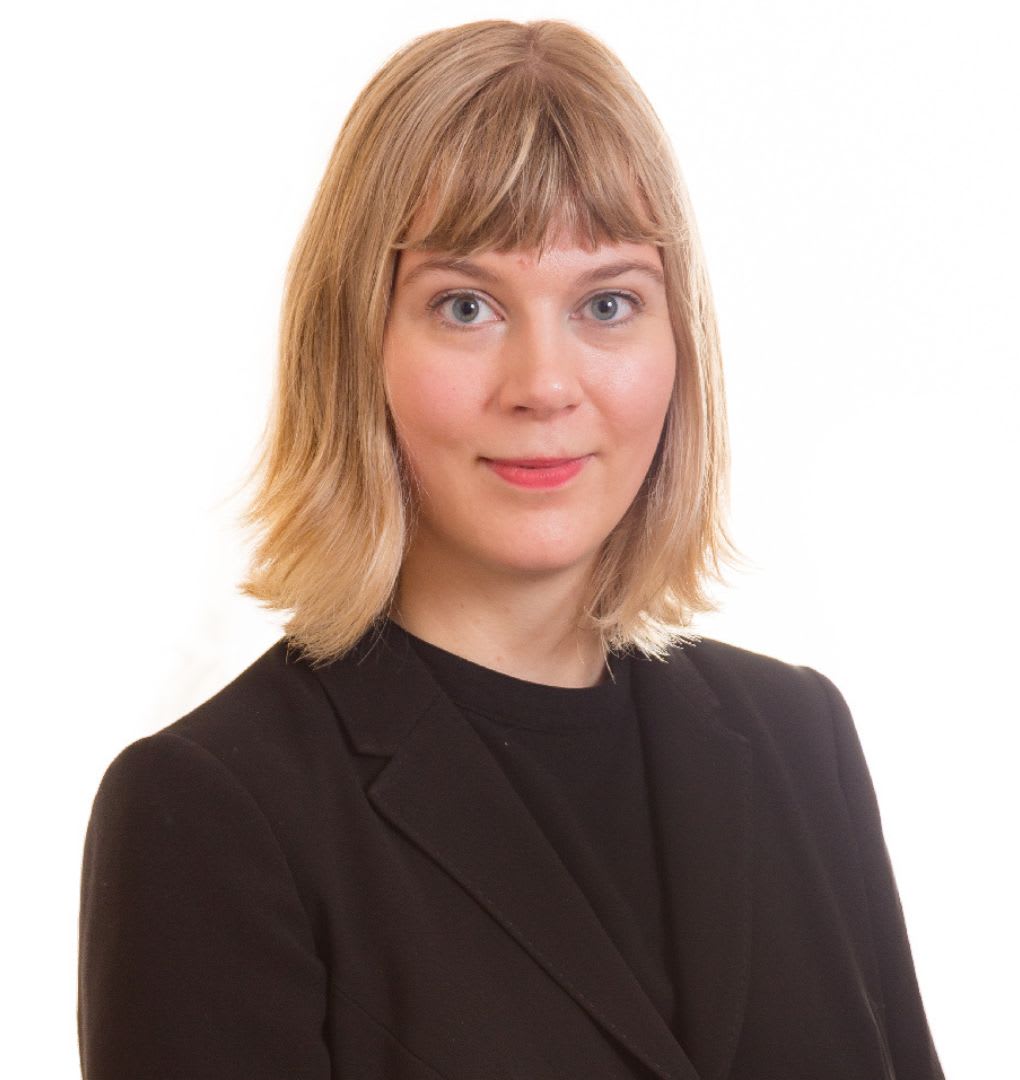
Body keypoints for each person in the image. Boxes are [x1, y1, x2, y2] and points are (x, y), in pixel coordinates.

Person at [77, 18, 945, 1080]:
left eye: (608, 303)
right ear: (356, 346)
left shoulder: (797, 737)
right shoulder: (209, 814)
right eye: (467, 306)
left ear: (678, 340)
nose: (544, 384)